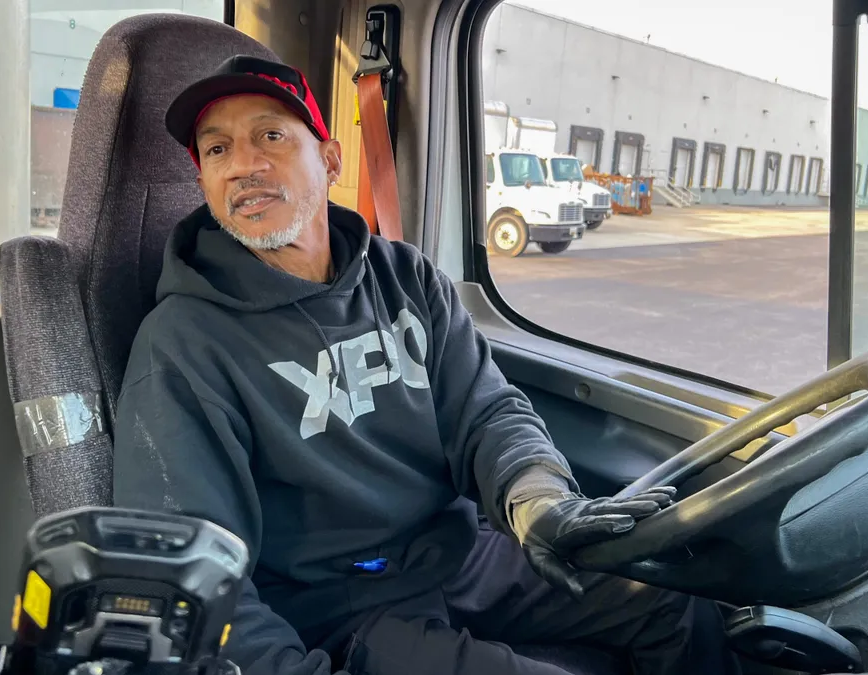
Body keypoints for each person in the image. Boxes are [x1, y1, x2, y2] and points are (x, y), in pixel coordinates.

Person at [113, 54, 738, 675]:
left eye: (270, 136)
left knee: (676, 600)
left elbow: (487, 412)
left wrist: (539, 500)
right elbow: (189, 566)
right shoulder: (183, 344)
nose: (243, 166)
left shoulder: (406, 276)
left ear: (329, 161)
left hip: (461, 554)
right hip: (340, 608)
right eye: (216, 150)